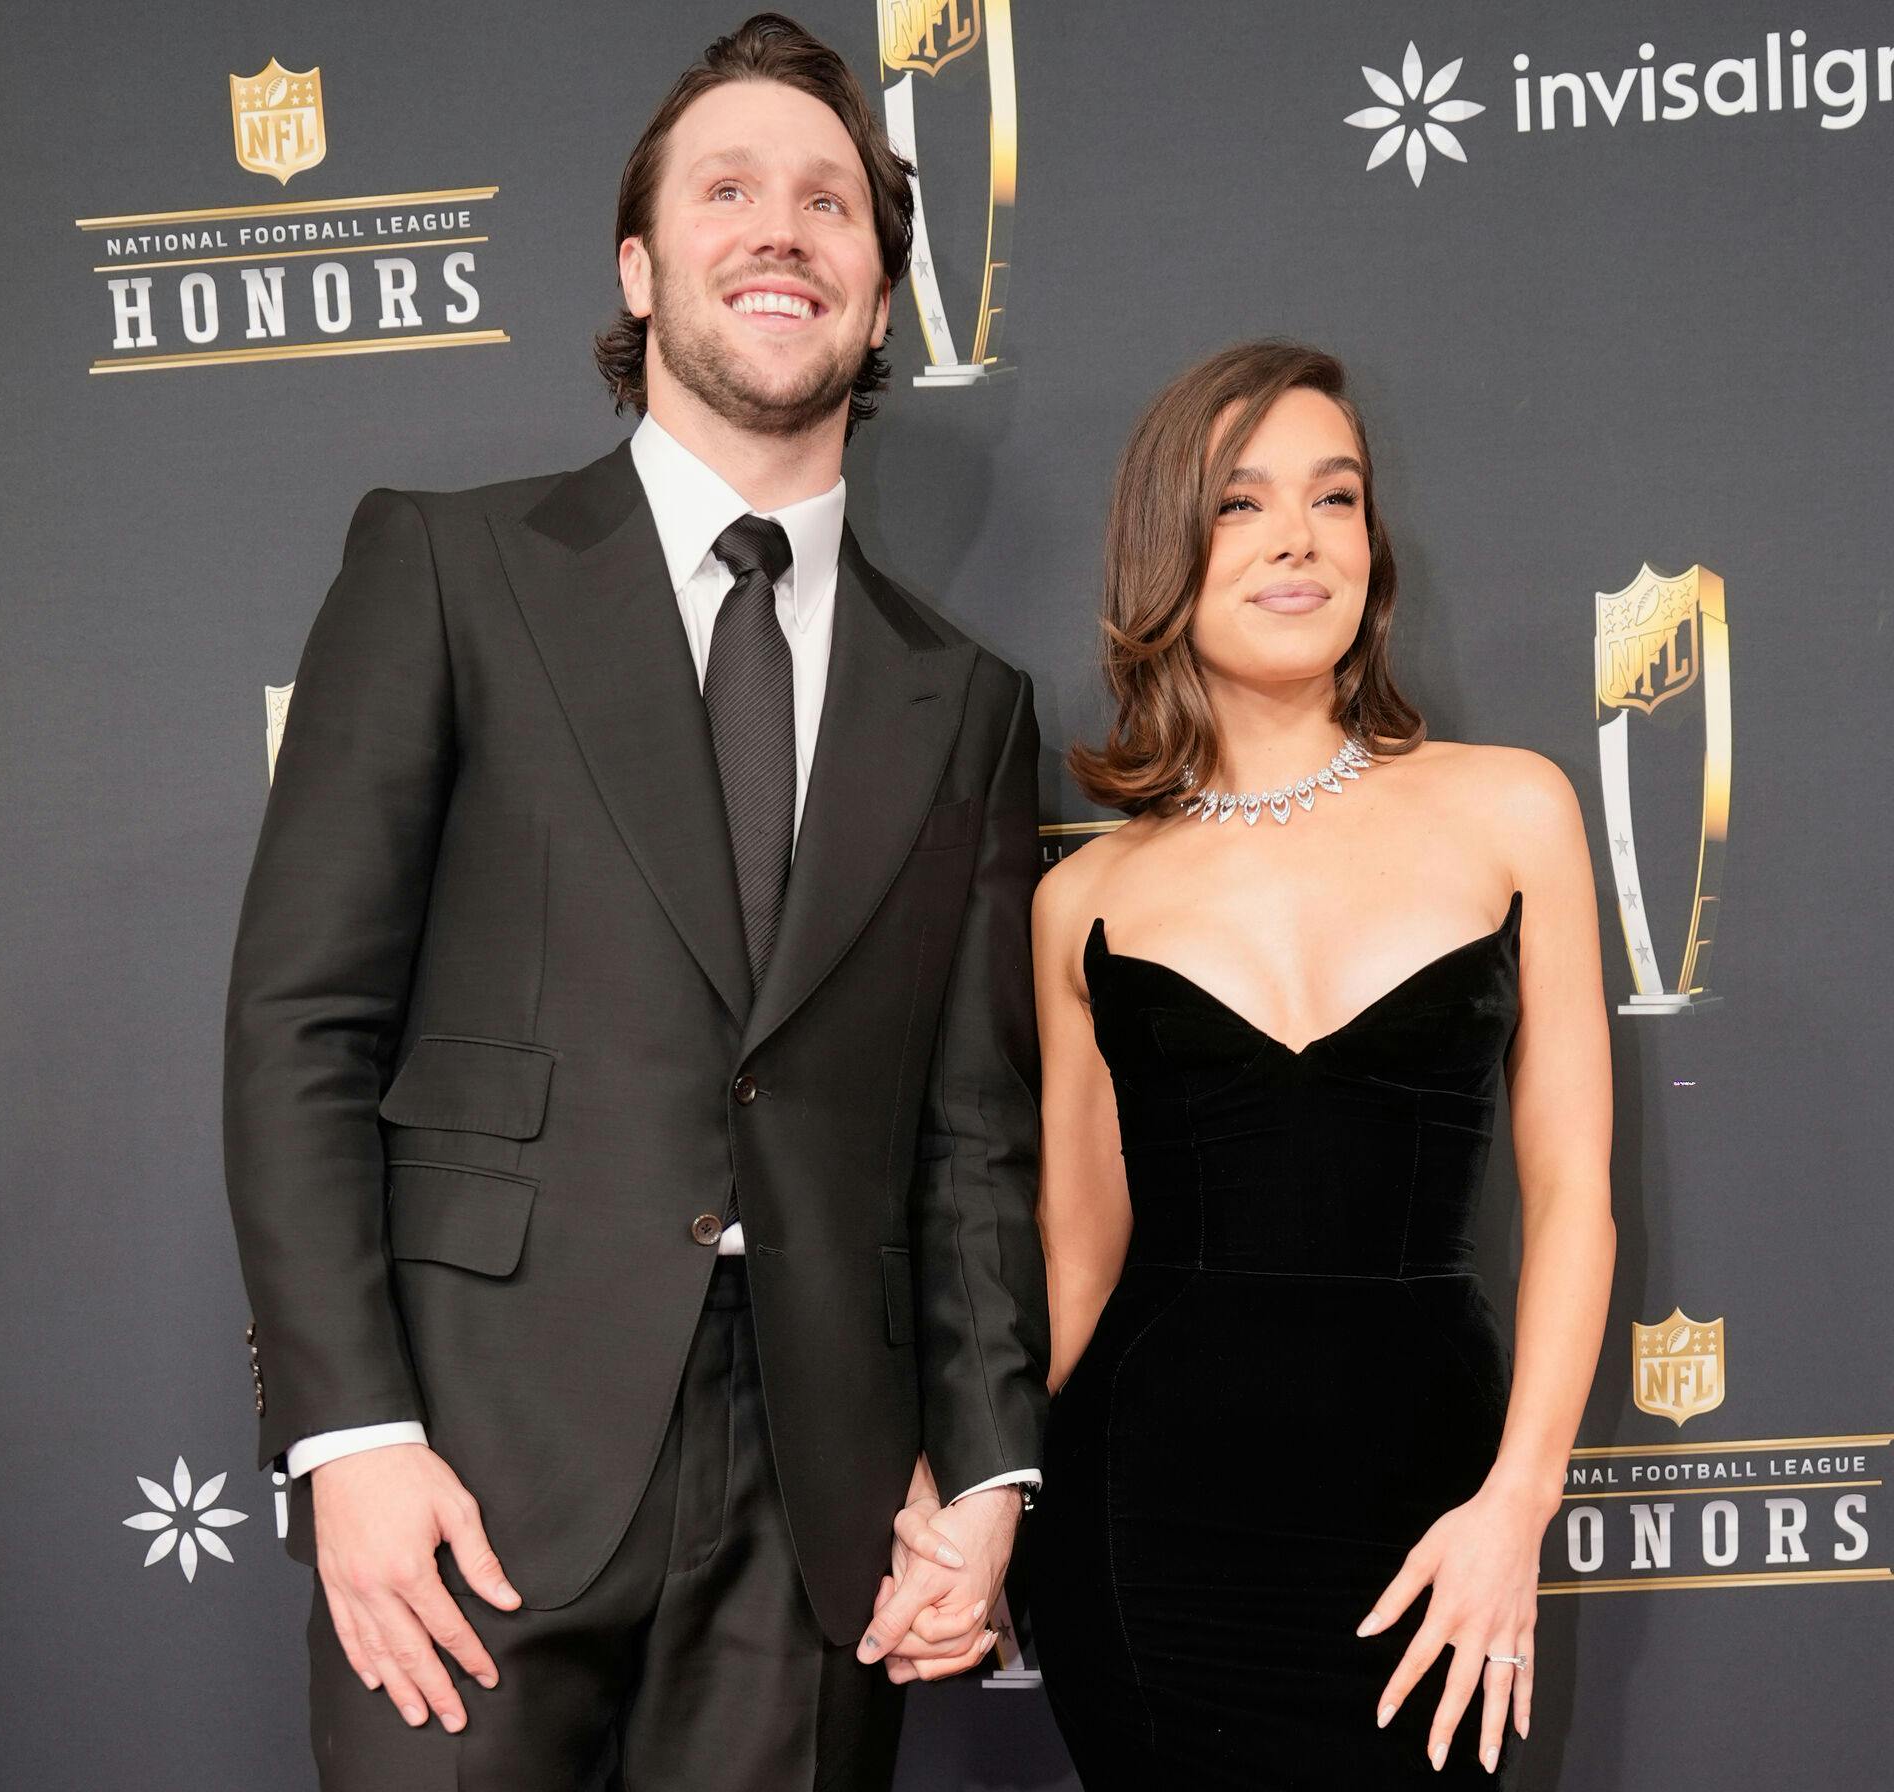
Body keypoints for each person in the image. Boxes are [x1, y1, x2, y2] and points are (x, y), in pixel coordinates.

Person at [221, 16, 1045, 1788]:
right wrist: (350, 1435)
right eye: (727, 189)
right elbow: (303, 1025)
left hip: (819, 1507)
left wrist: (985, 1478)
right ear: (638, 265)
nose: (781, 229)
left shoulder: (965, 701)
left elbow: (975, 1133)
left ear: (881, 302)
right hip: (468, 1464)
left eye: (829, 201)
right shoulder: (447, 569)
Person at [1027, 340, 1615, 1786]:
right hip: (1146, 1534)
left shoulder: (1513, 810)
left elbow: (1575, 1196)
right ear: (1165, 551)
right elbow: (1077, 1260)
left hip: (1433, 1521)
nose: (1299, 537)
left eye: (1335, 497)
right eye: (1241, 502)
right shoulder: (1086, 897)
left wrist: (1517, 1507)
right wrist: (991, 1506)